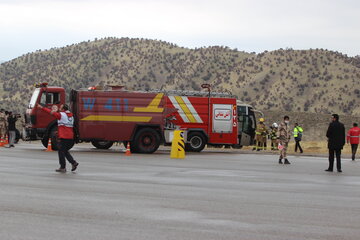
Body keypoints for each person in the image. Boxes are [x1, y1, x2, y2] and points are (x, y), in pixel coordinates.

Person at [37, 103, 79, 173]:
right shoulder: (71, 116)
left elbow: (51, 113)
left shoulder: (61, 115)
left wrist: (42, 108)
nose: (59, 109)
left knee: (61, 151)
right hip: (70, 136)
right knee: (64, 151)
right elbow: (65, 125)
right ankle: (73, 163)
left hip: (64, 136)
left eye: (60, 108)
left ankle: (63, 167)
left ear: (63, 109)